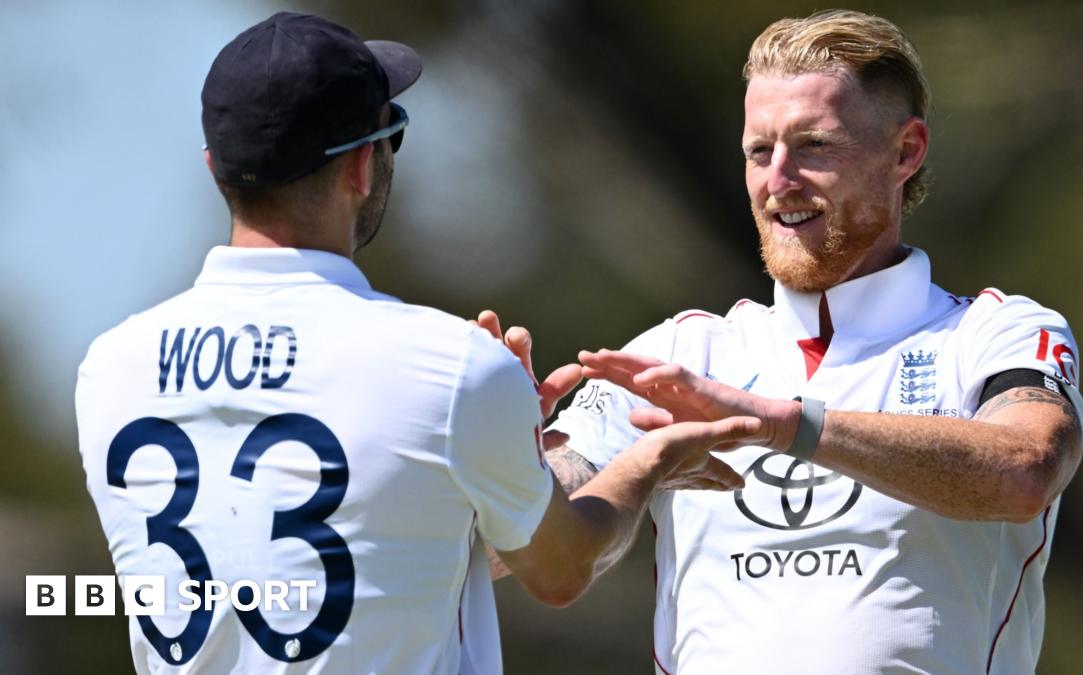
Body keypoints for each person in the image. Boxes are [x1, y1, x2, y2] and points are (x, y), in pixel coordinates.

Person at [74, 12, 763, 675]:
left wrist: (489, 455)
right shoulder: (447, 363)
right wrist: (646, 461)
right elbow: (560, 567)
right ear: (361, 168)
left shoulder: (108, 366)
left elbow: (338, 547)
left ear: (214, 167)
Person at [531, 9, 1083, 674]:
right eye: (759, 151)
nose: (779, 180)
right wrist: (498, 457)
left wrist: (788, 424)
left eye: (815, 145)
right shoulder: (682, 351)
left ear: (906, 151)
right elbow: (536, 554)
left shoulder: (995, 332)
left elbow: (1027, 468)